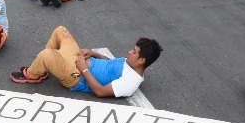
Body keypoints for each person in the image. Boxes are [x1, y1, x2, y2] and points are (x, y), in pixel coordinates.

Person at [10, 26, 161, 99]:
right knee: (61, 31)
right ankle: (42, 68)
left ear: (142, 60)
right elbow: (112, 63)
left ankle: (33, 74)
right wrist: (93, 53)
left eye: (134, 52)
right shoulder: (133, 64)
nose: (129, 52)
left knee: (47, 55)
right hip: (82, 62)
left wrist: (84, 69)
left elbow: (100, 92)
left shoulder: (130, 82)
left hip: (77, 76)